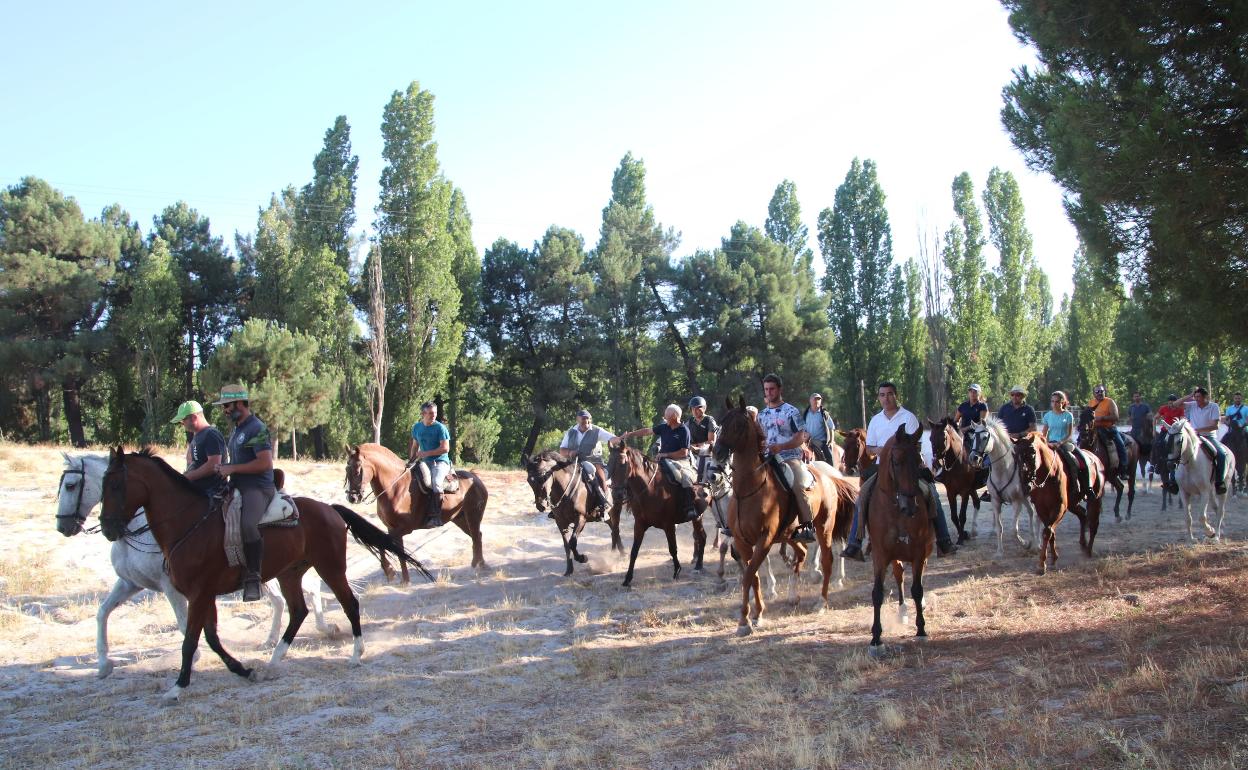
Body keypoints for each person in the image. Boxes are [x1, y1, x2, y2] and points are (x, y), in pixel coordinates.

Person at [840, 381, 957, 561]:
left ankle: (944, 540)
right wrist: (884, 452)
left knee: (931, 493)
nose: (886, 398)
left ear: (896, 395)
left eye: (889, 394)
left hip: (908, 468)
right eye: (882, 395)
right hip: (883, 468)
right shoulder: (876, 420)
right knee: (862, 496)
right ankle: (855, 545)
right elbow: (870, 448)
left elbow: (914, 445)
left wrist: (896, 452)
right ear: (879, 398)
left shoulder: (908, 418)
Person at [211, 384, 274, 602]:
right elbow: (240, 461)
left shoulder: (257, 428)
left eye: (226, 406)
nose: (224, 410)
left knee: (248, 525)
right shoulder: (237, 429)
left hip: (258, 487)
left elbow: (265, 463)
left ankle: (254, 577)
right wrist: (225, 468)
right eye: (223, 407)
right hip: (238, 484)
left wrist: (232, 468)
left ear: (239, 403)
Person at [615, 405, 699, 522]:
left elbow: (683, 452)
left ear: (674, 417)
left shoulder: (684, 430)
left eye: (666, 415)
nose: (664, 418)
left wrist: (665, 454)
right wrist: (630, 434)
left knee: (685, 478)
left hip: (680, 461)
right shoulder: (664, 427)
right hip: (662, 460)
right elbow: (647, 431)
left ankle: (690, 507)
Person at [558, 408, 617, 517]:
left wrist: (621, 439)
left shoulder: (597, 430)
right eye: (583, 420)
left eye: (588, 420)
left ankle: (602, 504)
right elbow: (562, 450)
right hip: (573, 462)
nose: (586, 423)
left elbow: (612, 438)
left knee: (599, 476)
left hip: (593, 461)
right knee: (557, 476)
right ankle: (556, 507)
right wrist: (570, 452)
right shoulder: (570, 432)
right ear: (577, 420)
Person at [408, 401, 451, 529]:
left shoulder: (440, 428)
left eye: (435, 413)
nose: (434, 416)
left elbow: (445, 448)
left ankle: (436, 517)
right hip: (424, 462)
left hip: (440, 462)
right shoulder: (417, 427)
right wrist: (411, 460)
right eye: (431, 413)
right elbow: (415, 446)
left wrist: (426, 453)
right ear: (423, 414)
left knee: (436, 482)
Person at [1178, 387, 1228, 494]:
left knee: (1221, 454)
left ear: (1205, 397)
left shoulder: (1213, 406)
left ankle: (1219, 482)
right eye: (1195, 397)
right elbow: (1176, 404)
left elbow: (1215, 426)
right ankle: (1173, 480)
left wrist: (1197, 430)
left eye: (1198, 397)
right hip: (1193, 437)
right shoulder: (1192, 405)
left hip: (1208, 436)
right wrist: (1190, 395)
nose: (1196, 399)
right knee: (1176, 450)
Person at [170, 400, 225, 496]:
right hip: (198, 490)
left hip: (212, 492)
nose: (182, 424)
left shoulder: (211, 434)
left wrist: (188, 477)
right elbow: (193, 460)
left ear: (194, 417)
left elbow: (214, 464)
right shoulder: (197, 435)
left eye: (183, 420)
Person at [1041, 391, 1088, 501]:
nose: (1055, 404)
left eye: (1057, 401)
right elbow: (1044, 433)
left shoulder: (1068, 415)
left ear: (1063, 402)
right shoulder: (1047, 416)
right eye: (1052, 401)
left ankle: (1078, 485)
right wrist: (1047, 443)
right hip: (1050, 443)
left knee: (1076, 460)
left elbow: (1069, 433)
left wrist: (1060, 443)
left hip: (1064, 443)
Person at [1089, 385, 1129, 480]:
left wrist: (1101, 418)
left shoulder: (1110, 402)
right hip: (1094, 429)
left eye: (1101, 391)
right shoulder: (1091, 403)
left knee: (1120, 445)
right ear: (1094, 394)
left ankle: (1123, 469)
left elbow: (1115, 417)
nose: (1100, 393)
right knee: (1082, 441)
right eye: (1097, 391)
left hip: (1108, 429)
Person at [685, 396, 719, 484]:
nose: (695, 411)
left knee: (704, 465)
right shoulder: (690, 422)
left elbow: (711, 441)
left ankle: (703, 483)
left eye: (698, 408)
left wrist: (697, 447)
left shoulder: (709, 421)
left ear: (704, 408)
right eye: (693, 409)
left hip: (707, 453)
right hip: (691, 452)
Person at [803, 393, 837, 465]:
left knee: (829, 456)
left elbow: (831, 428)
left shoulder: (824, 413)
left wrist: (831, 441)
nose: (817, 401)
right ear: (810, 401)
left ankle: (830, 472)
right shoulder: (806, 414)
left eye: (819, 399)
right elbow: (802, 428)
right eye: (815, 399)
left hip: (821, 442)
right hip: (808, 441)